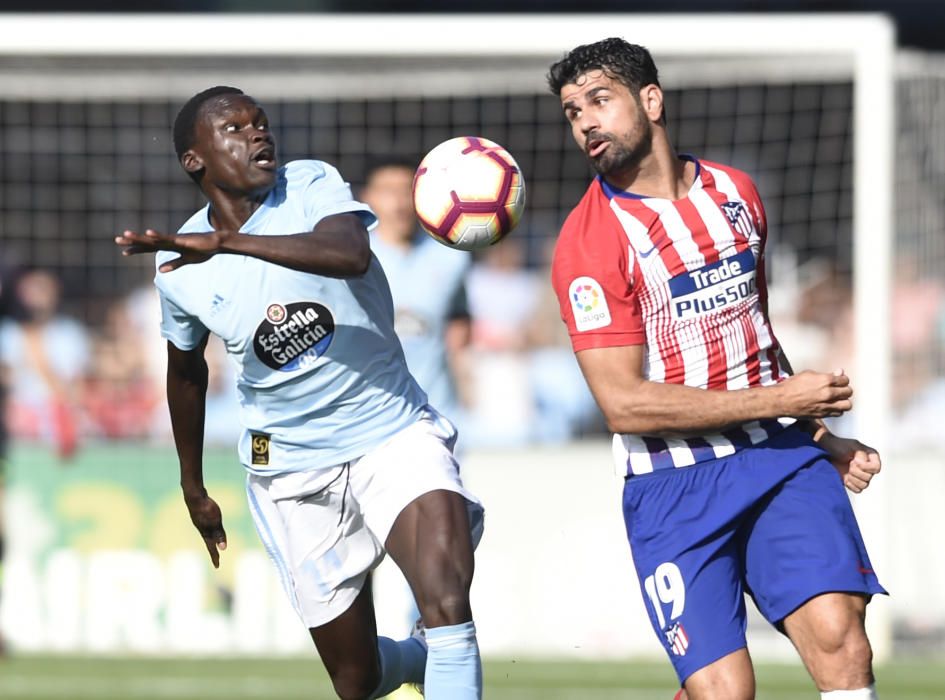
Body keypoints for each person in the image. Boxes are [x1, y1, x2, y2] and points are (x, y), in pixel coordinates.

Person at [114, 86, 484, 700]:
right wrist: (192, 484)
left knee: (447, 603)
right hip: (289, 465)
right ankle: (414, 660)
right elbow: (186, 371)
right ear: (194, 160)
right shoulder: (177, 264)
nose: (258, 135)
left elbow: (350, 254)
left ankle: (439, 653)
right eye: (234, 129)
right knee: (357, 679)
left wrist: (228, 244)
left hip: (391, 430)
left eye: (260, 123)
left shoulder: (310, 184)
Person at [547, 39, 884, 700]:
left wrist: (817, 436)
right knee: (724, 693)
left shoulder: (735, 192)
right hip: (674, 486)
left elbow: (753, 338)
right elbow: (623, 405)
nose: (584, 120)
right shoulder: (589, 242)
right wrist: (780, 399)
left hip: (779, 456)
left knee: (840, 636)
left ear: (651, 100)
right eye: (570, 111)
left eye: (598, 99)